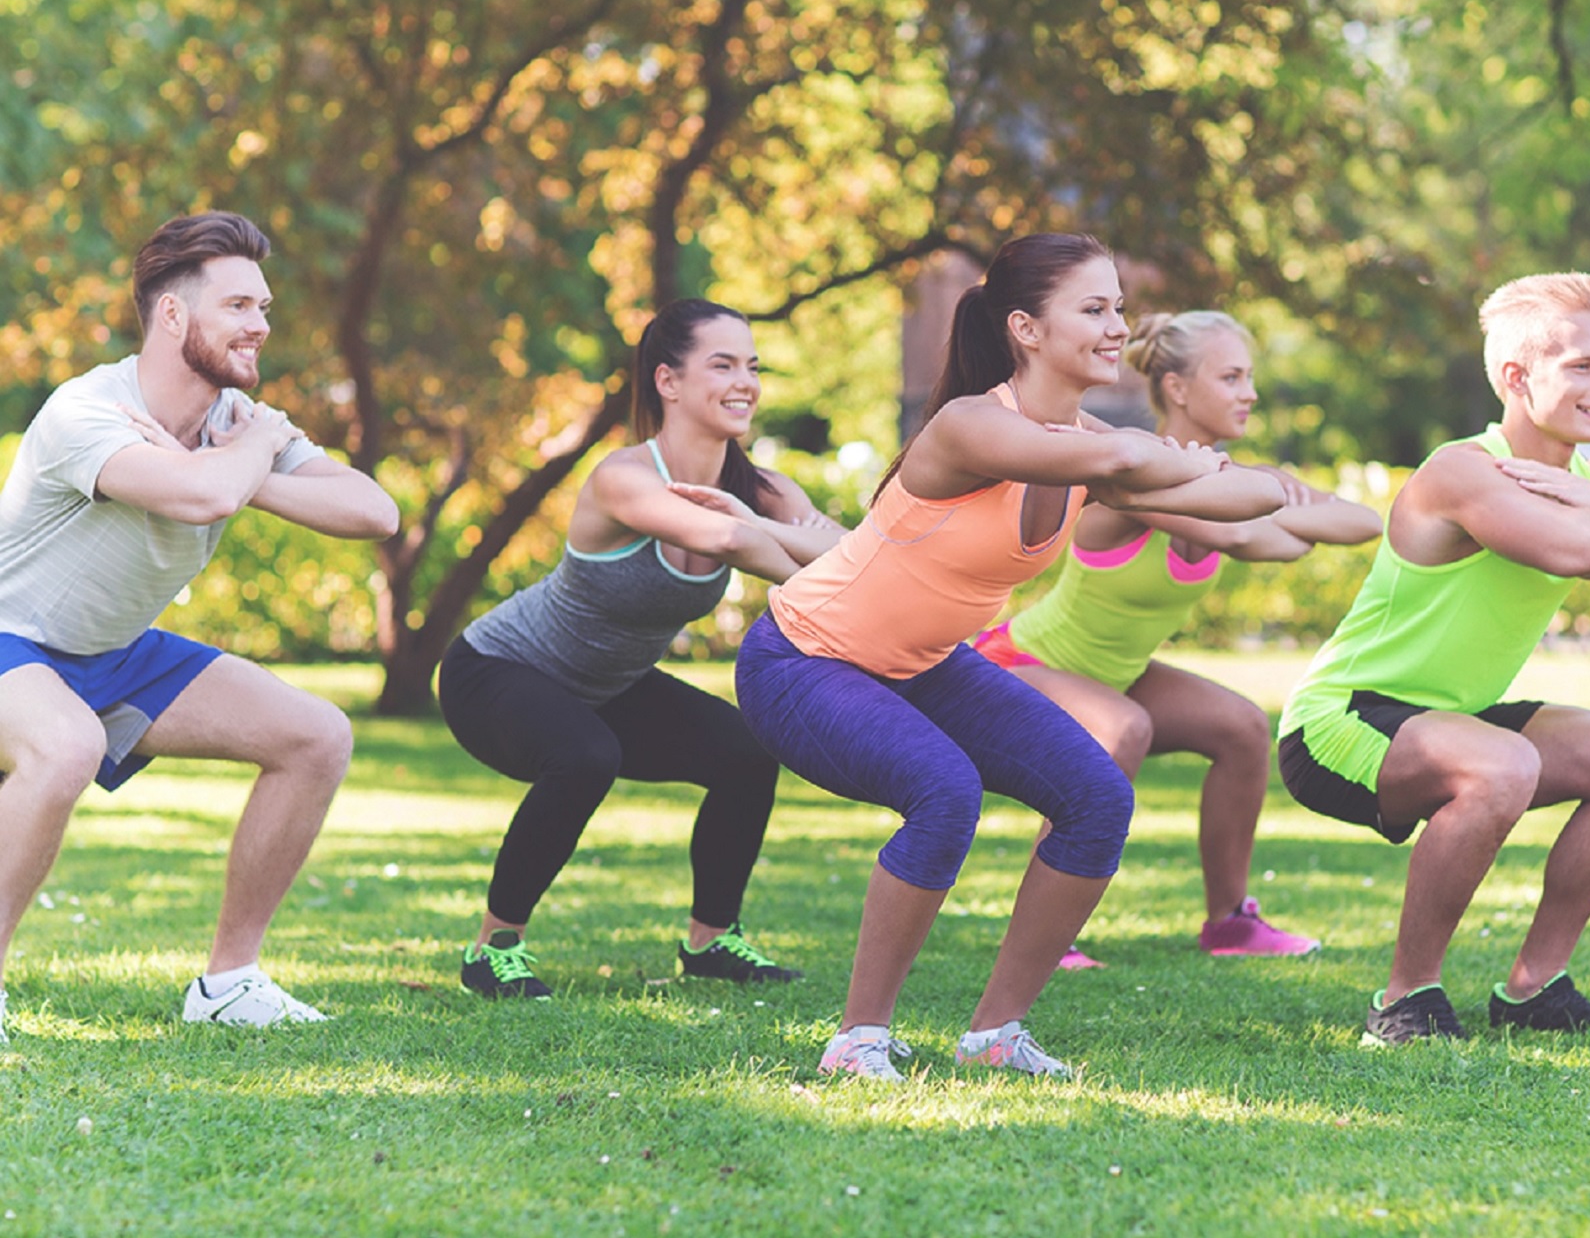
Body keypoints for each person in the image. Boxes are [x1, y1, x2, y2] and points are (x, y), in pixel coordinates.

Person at [733, 233, 1288, 1082]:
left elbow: (1252, 497)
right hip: (803, 658)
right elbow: (1124, 458)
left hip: (923, 663)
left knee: (1096, 795)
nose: (1117, 327)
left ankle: (995, 1032)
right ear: (1026, 328)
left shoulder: (1084, 444)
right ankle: (858, 1038)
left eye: (1119, 307)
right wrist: (1175, 459)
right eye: (1094, 309)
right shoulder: (972, 425)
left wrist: (1197, 464)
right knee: (944, 789)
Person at [1277, 272, 1590, 1045]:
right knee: (1504, 764)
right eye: (1581, 366)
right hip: (1341, 720)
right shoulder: (1464, 470)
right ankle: (1404, 1000)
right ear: (1516, 376)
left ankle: (1534, 987)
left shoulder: (1588, 480)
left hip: (1457, 718)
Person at [0, 211, 400, 1042]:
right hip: (13, 636)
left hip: (113, 649)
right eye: (238, 306)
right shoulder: (88, 409)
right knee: (67, 745)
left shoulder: (239, 427)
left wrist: (247, 467)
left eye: (264, 307)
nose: (260, 325)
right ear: (174, 314)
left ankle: (228, 983)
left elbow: (374, 510)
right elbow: (201, 496)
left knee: (316, 736)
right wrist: (233, 465)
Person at [438, 299, 842, 999]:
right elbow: (729, 539)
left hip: (608, 684)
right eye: (723, 365)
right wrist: (808, 567)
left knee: (746, 753)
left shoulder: (764, 491)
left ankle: (712, 941)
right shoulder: (622, 477)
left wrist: (801, 545)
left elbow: (851, 553)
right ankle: (492, 948)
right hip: (496, 671)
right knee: (585, 754)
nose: (745, 382)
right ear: (668, 381)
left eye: (752, 367)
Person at [975, 310, 1381, 966]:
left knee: (1242, 727)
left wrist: (1269, 503)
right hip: (1019, 665)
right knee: (1123, 727)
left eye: (1249, 377)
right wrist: (1280, 506)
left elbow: (1361, 522)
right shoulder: (1135, 475)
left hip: (1116, 675)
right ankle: (1046, 931)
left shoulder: (1235, 480)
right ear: (1178, 389)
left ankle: (1230, 922)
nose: (1250, 392)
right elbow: (1249, 537)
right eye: (1231, 377)